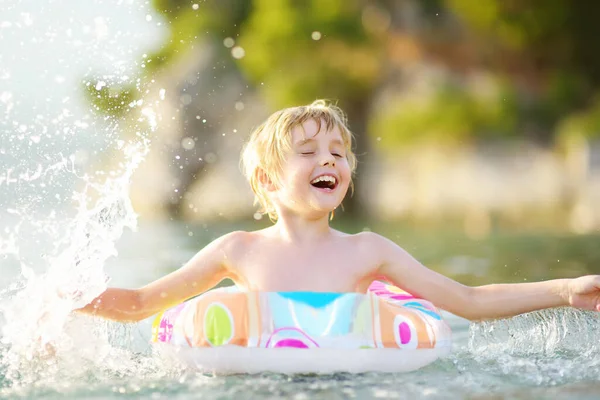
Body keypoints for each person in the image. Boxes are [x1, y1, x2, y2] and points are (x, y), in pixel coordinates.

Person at [77, 99, 600, 323]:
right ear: (267, 181)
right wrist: (71, 299)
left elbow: (466, 299)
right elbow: (143, 301)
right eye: (307, 153)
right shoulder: (237, 250)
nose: (327, 160)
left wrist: (560, 289)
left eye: (338, 153)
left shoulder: (367, 251)